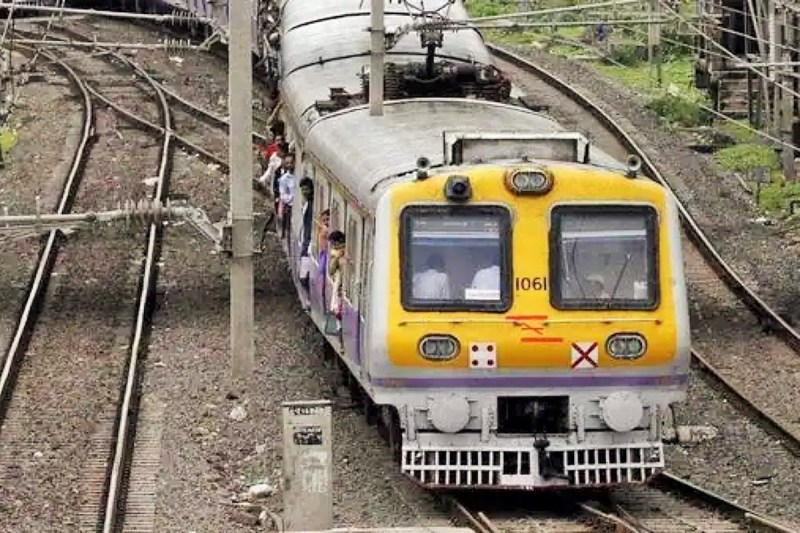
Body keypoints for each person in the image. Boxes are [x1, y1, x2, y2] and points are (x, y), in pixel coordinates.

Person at [327, 230, 347, 333]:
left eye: (333, 243)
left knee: (338, 306)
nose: (332, 246)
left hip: (343, 285)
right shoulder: (336, 253)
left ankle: (340, 328)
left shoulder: (343, 253)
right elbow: (331, 270)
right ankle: (339, 327)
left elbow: (331, 270)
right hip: (341, 285)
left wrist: (336, 257)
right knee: (338, 306)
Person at [277, 155, 296, 239]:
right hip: (290, 207)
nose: (289, 165)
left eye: (291, 163)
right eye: (287, 163)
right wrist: (293, 198)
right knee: (289, 230)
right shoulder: (284, 179)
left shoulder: (300, 175)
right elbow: (283, 195)